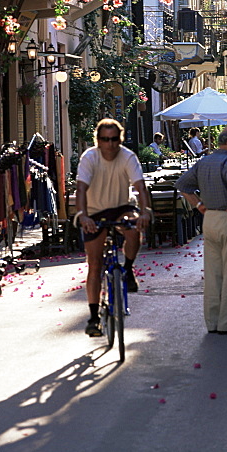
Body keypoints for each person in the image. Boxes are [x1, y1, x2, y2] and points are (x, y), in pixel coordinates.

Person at [75, 119, 152, 337]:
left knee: (134, 228)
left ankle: (127, 269)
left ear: (121, 139)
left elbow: (140, 186)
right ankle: (93, 318)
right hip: (95, 210)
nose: (109, 144)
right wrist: (82, 216)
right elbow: (81, 189)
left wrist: (145, 211)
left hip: (121, 207)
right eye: (104, 140)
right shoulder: (89, 158)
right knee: (95, 264)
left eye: (114, 139)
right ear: (97, 140)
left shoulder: (127, 156)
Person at [176, 126, 227, 335]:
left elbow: (182, 184)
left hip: (209, 219)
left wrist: (199, 205)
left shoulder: (204, 161)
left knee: (213, 272)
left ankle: (212, 321)